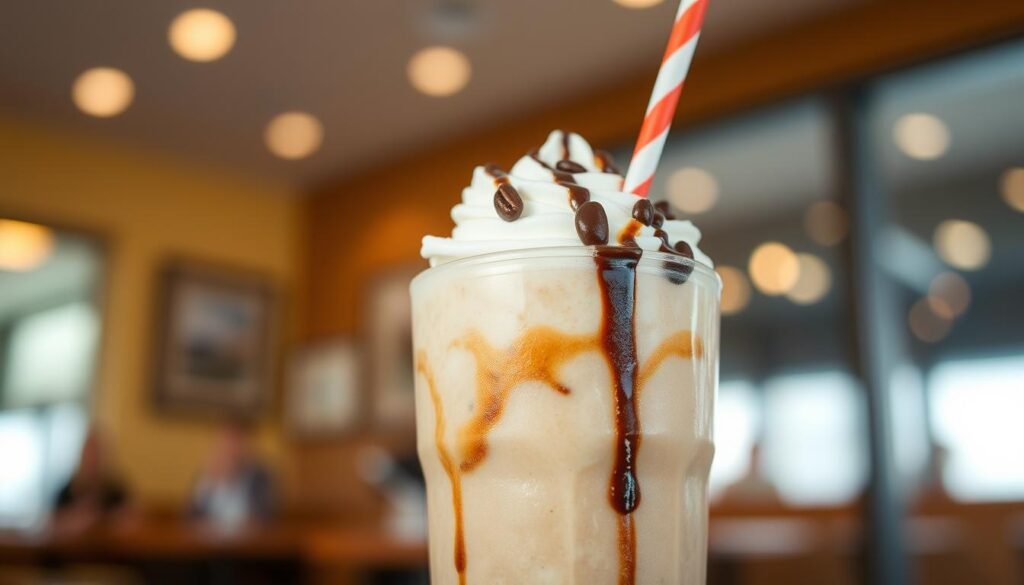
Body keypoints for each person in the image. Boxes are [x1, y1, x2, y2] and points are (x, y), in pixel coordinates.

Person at [189, 422, 276, 532]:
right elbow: (190, 517)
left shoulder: (261, 477)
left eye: (236, 442)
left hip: (250, 544)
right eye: (226, 441)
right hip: (208, 544)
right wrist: (209, 482)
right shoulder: (207, 476)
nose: (231, 448)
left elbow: (265, 517)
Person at [52, 428, 131, 533]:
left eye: (96, 453)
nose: (92, 458)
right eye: (89, 452)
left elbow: (129, 519)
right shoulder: (66, 491)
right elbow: (55, 524)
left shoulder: (116, 491)